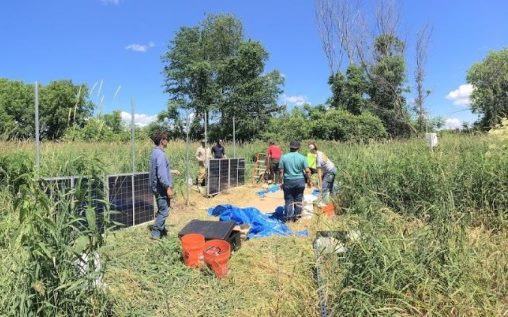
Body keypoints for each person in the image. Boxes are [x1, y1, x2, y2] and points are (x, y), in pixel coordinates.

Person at [149, 131, 175, 240]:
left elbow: (160, 169)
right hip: (161, 188)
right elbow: (161, 174)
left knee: (161, 209)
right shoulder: (160, 154)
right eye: (166, 139)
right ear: (162, 141)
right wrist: (168, 188)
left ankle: (161, 229)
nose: (168, 141)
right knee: (164, 210)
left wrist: (172, 171)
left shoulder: (154, 152)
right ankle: (156, 234)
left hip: (156, 186)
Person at [278, 140, 311, 222]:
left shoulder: (284, 157)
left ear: (290, 147)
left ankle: (288, 219)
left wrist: (281, 182)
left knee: (289, 200)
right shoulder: (303, 158)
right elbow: (307, 171)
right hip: (300, 181)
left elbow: (281, 172)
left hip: (288, 181)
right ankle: (297, 218)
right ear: (299, 148)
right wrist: (309, 181)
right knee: (298, 200)